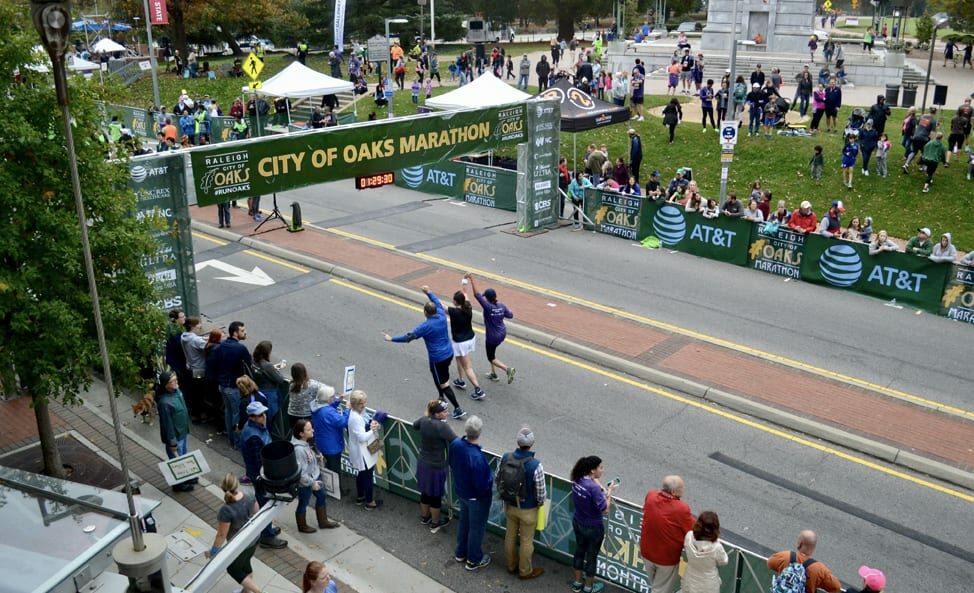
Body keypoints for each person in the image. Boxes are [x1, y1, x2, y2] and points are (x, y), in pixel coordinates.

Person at [385, 286, 466, 419]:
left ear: (425, 313)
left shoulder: (425, 326)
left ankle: (457, 408)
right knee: (435, 373)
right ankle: (441, 396)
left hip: (437, 358)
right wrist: (428, 291)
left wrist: (391, 339)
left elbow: (408, 338)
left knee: (444, 383)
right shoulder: (441, 314)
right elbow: (436, 300)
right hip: (448, 353)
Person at [498, 427, 546, 580]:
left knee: (510, 536)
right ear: (532, 444)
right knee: (526, 541)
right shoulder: (536, 465)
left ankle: (511, 565)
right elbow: (541, 492)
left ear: (517, 442)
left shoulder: (506, 457)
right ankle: (525, 571)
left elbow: (498, 478)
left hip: (510, 505)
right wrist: (539, 504)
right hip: (528, 509)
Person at [239, 401, 288, 549]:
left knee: (265, 502)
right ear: (252, 417)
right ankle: (267, 536)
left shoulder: (256, 428)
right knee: (265, 504)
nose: (264, 416)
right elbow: (258, 461)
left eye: (264, 413)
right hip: (261, 475)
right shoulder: (253, 436)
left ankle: (268, 530)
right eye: (260, 415)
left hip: (261, 473)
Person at [450, 416, 493, 571]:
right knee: (476, 528)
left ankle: (460, 553)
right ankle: (473, 560)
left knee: (464, 522)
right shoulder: (477, 457)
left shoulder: (455, 444)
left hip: (462, 492)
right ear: (479, 432)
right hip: (476, 498)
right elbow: (482, 485)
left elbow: (452, 463)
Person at [640, 475, 695, 593]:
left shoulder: (650, 495)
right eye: (682, 487)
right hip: (666, 559)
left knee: (655, 585)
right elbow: (692, 530)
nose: (684, 488)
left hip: (646, 552)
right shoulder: (681, 508)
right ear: (674, 491)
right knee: (661, 590)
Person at [208, 474, 262, 593]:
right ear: (237, 484)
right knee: (245, 564)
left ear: (223, 489)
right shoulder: (249, 494)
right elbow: (257, 514)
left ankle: (258, 591)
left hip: (240, 545)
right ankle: (246, 591)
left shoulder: (226, 510)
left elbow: (221, 535)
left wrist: (213, 552)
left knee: (233, 569)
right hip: (254, 538)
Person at [570, 456, 616, 593]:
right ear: (592, 471)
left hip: (578, 522)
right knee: (591, 557)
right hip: (593, 527)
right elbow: (605, 509)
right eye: (600, 467)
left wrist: (600, 485)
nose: (603, 470)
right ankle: (589, 587)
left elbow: (593, 484)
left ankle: (577, 584)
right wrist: (610, 494)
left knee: (579, 552)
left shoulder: (577, 479)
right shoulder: (592, 488)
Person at [206, 320, 252, 448]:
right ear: (235, 333)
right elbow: (249, 365)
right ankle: (237, 443)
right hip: (234, 387)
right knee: (237, 415)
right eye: (242, 331)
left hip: (222, 386)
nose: (245, 332)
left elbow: (212, 365)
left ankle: (231, 439)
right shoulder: (241, 348)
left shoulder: (220, 346)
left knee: (228, 412)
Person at [413, 399, 457, 533]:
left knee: (425, 492)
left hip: (422, 462)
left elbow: (415, 426)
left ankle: (424, 517)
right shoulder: (442, 426)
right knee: (435, 496)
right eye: (444, 412)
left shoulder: (424, 420)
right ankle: (435, 523)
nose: (447, 413)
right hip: (437, 466)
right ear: (437, 414)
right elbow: (455, 440)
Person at [291, 419, 339, 532]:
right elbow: (301, 473)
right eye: (308, 429)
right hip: (306, 482)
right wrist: (312, 483)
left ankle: (323, 522)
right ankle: (302, 526)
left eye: (311, 427)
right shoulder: (298, 450)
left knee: (321, 496)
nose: (312, 430)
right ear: (301, 434)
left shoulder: (306, 443)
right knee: (303, 502)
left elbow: (308, 460)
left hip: (314, 477)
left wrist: (317, 458)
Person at [467, 273, 516, 384]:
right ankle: (493, 374)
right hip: (502, 333)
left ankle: (508, 370)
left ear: (488, 299)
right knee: (492, 353)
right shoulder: (501, 306)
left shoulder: (488, 307)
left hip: (492, 337)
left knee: (491, 357)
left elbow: (476, 295)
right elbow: (511, 315)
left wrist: (471, 278)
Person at [156, 371, 195, 492]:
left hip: (182, 432)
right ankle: (179, 484)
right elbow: (167, 424)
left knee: (183, 456)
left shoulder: (177, 391)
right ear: (166, 385)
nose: (176, 381)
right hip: (175, 436)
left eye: (175, 379)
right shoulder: (164, 402)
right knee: (177, 461)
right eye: (173, 380)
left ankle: (186, 477)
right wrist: (172, 442)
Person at [767, 530, 842, 593]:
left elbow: (770, 563)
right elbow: (836, 587)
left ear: (800, 544)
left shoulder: (785, 556)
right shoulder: (819, 569)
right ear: (814, 547)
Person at [449, 289, 486, 400]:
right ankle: (460, 380)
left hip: (461, 342)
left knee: (468, 367)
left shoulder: (454, 311)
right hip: (470, 338)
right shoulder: (468, 306)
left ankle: (478, 389)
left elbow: (439, 304)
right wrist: (465, 281)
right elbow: (465, 294)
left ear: (456, 302)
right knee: (458, 359)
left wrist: (429, 293)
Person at [347, 389, 381, 509]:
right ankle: (369, 502)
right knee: (367, 476)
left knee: (362, 474)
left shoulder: (357, 412)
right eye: (362, 403)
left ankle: (360, 497)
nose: (364, 405)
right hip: (362, 450)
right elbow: (362, 437)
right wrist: (373, 430)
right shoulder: (355, 418)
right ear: (355, 404)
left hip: (361, 449)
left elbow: (366, 421)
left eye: (364, 402)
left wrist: (372, 425)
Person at [682, 511, 728, 593]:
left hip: (690, 579)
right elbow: (723, 561)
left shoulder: (689, 536)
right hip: (709, 584)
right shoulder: (717, 547)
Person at [309, 384, 348, 483]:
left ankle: (330, 486)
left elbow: (327, 407)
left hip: (322, 443)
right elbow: (342, 421)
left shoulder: (316, 405)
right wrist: (348, 410)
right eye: (333, 397)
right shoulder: (327, 412)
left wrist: (338, 401)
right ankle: (338, 491)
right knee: (335, 471)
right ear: (328, 398)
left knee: (329, 467)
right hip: (332, 446)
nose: (334, 397)